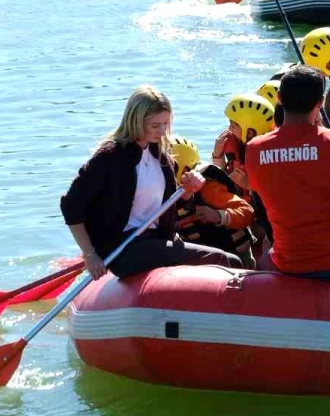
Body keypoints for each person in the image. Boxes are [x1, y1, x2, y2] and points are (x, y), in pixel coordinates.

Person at [60, 86, 244, 279]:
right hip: (124, 248)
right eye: (155, 126)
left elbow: (168, 208)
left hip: (157, 239)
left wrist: (188, 190)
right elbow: (70, 204)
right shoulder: (110, 156)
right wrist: (90, 255)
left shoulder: (161, 156)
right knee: (223, 261)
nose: (163, 131)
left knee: (232, 260)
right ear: (136, 121)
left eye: (166, 123)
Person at [245, 65, 330, 283]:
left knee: (262, 263)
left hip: (289, 262)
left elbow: (259, 189)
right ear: (319, 104)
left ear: (279, 99)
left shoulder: (254, 149)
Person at [168, 137, 258, 266]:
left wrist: (218, 216)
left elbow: (248, 212)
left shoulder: (210, 189)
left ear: (184, 170)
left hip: (233, 257)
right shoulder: (161, 192)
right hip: (200, 255)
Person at [211, 92, 276, 194]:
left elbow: (277, 192)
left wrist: (248, 185)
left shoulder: (270, 156)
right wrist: (217, 156)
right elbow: (225, 180)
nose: (229, 129)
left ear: (249, 132)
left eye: (233, 125)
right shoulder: (239, 145)